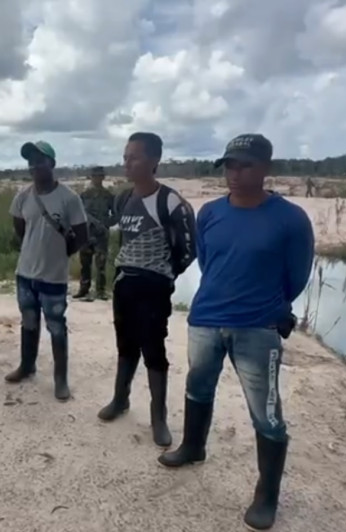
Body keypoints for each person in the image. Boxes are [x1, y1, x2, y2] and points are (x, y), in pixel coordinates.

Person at [158, 134, 314, 531]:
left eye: (244, 165)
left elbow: (297, 276)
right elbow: (209, 263)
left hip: (258, 328)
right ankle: (193, 447)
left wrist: (271, 307)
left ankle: (267, 495)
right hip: (207, 318)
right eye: (229, 165)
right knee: (198, 387)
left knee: (266, 412)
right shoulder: (210, 212)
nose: (234, 173)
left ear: (265, 168)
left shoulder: (290, 218)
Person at [96, 132, 197, 448]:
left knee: (154, 350)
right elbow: (123, 241)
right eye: (125, 156)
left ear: (154, 161)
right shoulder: (123, 199)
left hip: (154, 287)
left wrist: (164, 276)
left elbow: (189, 250)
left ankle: (158, 417)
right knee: (125, 345)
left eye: (134, 157)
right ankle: (120, 399)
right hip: (125, 283)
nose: (127, 163)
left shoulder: (171, 202)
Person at [6, 141, 89, 401]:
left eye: (39, 159)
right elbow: (20, 229)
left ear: (51, 163)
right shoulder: (22, 196)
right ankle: (27, 366)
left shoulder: (69, 198)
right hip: (25, 275)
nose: (34, 165)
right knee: (28, 322)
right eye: (30, 160)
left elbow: (82, 236)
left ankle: (60, 380)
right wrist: (34, 249)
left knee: (56, 327)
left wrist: (60, 254)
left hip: (53, 277)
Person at [73, 166, 115, 302]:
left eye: (99, 176)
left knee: (101, 264)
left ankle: (101, 291)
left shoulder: (108, 196)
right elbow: (78, 213)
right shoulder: (84, 195)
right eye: (95, 176)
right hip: (86, 233)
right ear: (91, 177)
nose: (97, 178)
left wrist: (105, 224)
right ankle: (84, 289)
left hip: (101, 235)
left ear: (103, 177)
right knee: (85, 263)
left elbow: (116, 214)